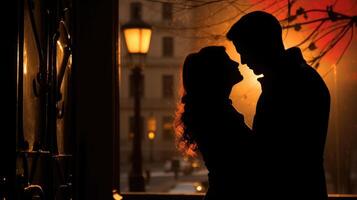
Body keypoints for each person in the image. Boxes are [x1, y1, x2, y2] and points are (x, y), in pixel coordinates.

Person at [226, 11, 330, 199]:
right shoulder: (299, 78)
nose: (243, 61)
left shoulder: (288, 85)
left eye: (243, 51)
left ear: (260, 44)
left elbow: (271, 155)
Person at [174, 46, 254, 199]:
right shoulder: (217, 114)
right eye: (227, 61)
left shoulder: (213, 111)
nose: (236, 63)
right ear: (215, 73)